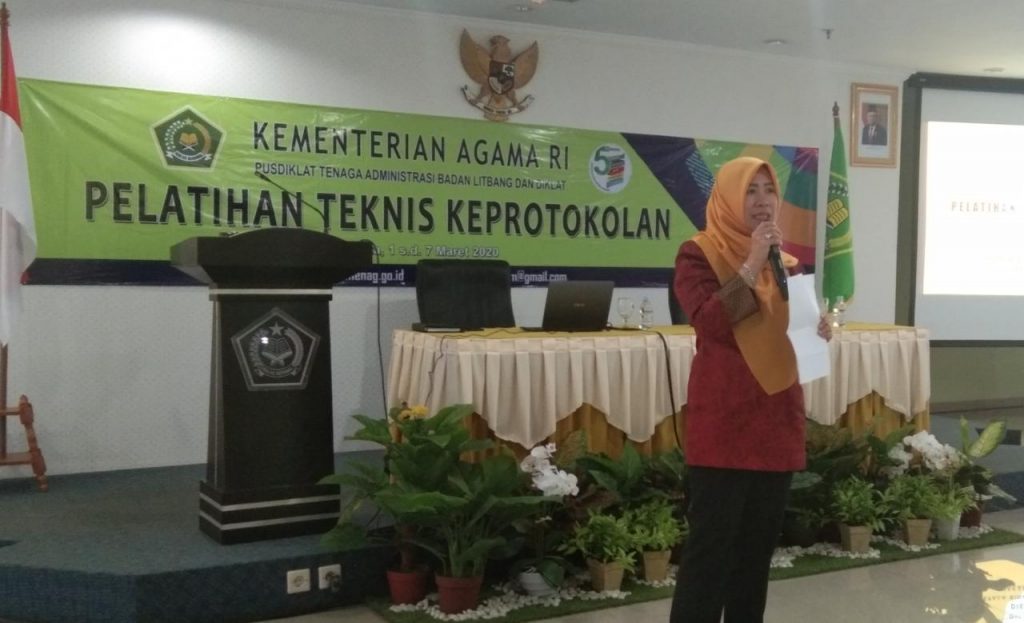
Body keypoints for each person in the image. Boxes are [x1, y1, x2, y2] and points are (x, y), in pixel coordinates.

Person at [669, 156, 832, 623]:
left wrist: (816, 327)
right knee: (709, 554)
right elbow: (712, 323)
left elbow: (787, 329)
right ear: (727, 198)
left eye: (769, 190)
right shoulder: (698, 254)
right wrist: (753, 261)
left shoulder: (788, 264)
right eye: (750, 191)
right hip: (725, 422)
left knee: (755, 555)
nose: (762, 201)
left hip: (775, 419)